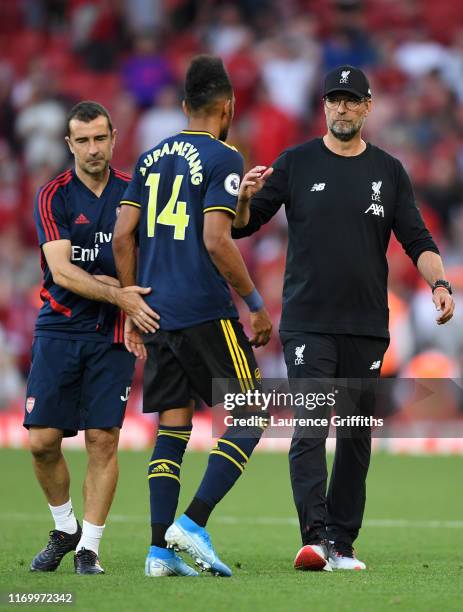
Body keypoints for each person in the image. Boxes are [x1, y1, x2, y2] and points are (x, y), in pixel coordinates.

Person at [232, 65, 455, 571]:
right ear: (324, 106)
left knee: (355, 436)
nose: (343, 108)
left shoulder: (389, 171)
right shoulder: (296, 163)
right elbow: (245, 226)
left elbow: (417, 239)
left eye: (352, 100)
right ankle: (314, 539)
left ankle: (343, 544)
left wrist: (439, 284)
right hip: (308, 322)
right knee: (312, 426)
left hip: (367, 326)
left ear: (368, 107)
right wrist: (242, 198)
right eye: (335, 99)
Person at [112, 55, 273, 577]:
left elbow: (122, 236)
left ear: (184, 107)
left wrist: (133, 302)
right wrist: (254, 303)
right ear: (227, 107)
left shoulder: (151, 157)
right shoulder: (225, 156)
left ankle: (159, 551)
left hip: (156, 311)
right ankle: (194, 523)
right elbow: (216, 240)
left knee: (172, 429)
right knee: (251, 414)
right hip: (205, 310)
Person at [25, 101, 160, 575]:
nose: (92, 148)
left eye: (100, 138)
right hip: (60, 327)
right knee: (42, 441)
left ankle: (90, 549)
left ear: (114, 137)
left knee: (103, 439)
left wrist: (132, 310)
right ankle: (64, 528)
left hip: (114, 334)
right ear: (69, 144)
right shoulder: (53, 196)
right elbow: (61, 271)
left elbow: (154, 258)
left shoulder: (135, 191)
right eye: (82, 140)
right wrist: (121, 296)